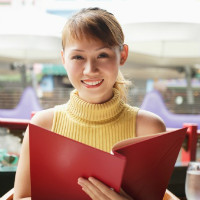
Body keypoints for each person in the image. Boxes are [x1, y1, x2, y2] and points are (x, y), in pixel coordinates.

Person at [14, 7, 173, 200]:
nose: (90, 70)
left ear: (123, 55)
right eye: (78, 57)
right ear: (64, 59)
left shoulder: (149, 128)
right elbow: (19, 197)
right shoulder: (43, 125)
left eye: (102, 55)